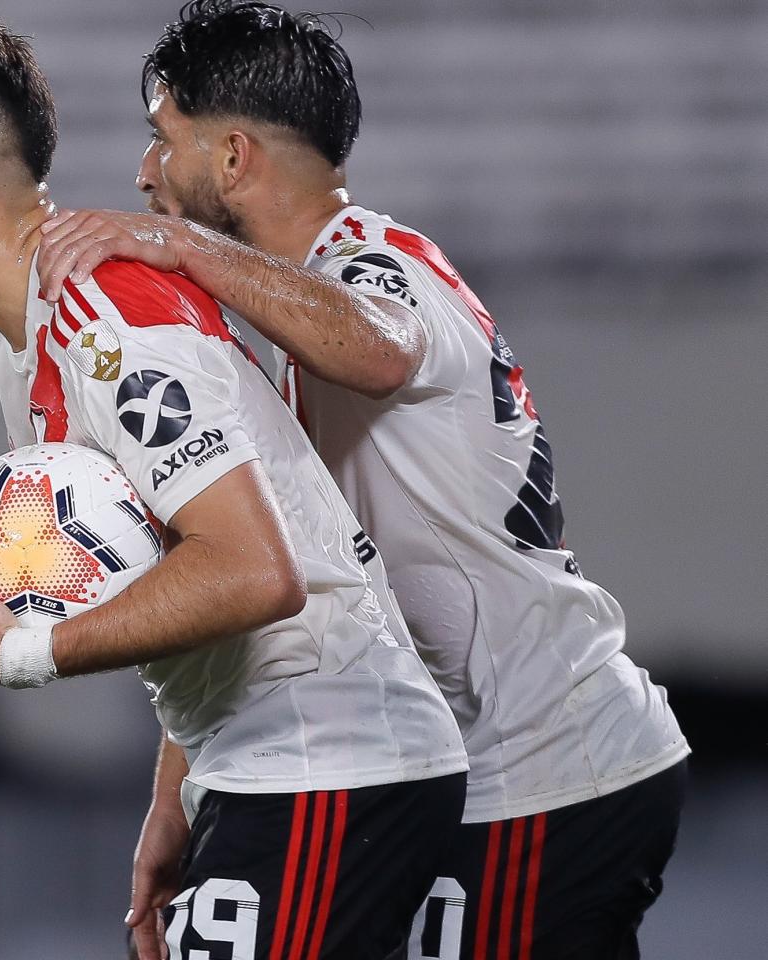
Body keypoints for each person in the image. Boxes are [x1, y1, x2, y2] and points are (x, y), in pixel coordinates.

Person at [35, 3, 689, 957]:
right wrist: (176, 794)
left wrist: (183, 249)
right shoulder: (296, 313)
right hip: (500, 775)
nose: (144, 177)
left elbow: (381, 352)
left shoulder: (379, 266)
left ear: (231, 158)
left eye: (160, 139)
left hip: (541, 768)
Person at [0, 12, 469, 960]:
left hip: (329, 762)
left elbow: (256, 572)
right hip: (267, 766)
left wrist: (27, 653)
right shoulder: (26, 334)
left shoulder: (109, 309)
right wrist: (174, 798)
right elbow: (175, 557)